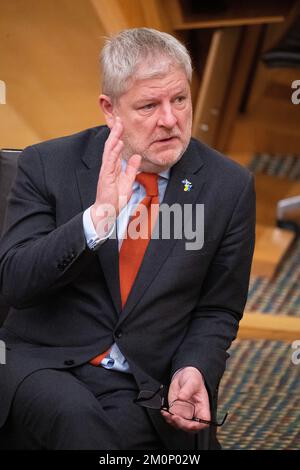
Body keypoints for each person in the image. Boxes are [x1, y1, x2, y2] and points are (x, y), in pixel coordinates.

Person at [0, 28, 255, 450]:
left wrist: (194, 368)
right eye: (149, 105)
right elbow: (15, 282)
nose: (170, 120)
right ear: (110, 109)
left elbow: (218, 309)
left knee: (124, 437)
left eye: (179, 100)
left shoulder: (228, 187)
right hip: (43, 363)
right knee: (74, 418)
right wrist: (95, 221)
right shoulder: (47, 164)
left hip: (140, 380)